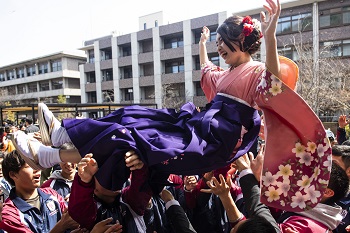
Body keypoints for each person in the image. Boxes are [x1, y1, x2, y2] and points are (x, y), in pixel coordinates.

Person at [11, 0, 330, 213]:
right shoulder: (227, 74)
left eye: (223, 43)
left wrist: (271, 36)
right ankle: (54, 145)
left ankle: (48, 154)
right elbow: (207, 69)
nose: (219, 49)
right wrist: (203, 46)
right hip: (198, 127)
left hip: (212, 142)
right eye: (218, 44)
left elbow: (274, 78)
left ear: (243, 43)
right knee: (130, 116)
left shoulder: (256, 72)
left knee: (128, 136)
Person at [0, 150, 79, 232]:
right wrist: (61, 226)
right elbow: (65, 223)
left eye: (37, 164)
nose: (37, 169)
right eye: (29, 166)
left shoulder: (52, 195)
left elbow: (73, 220)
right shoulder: (10, 213)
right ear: (13, 175)